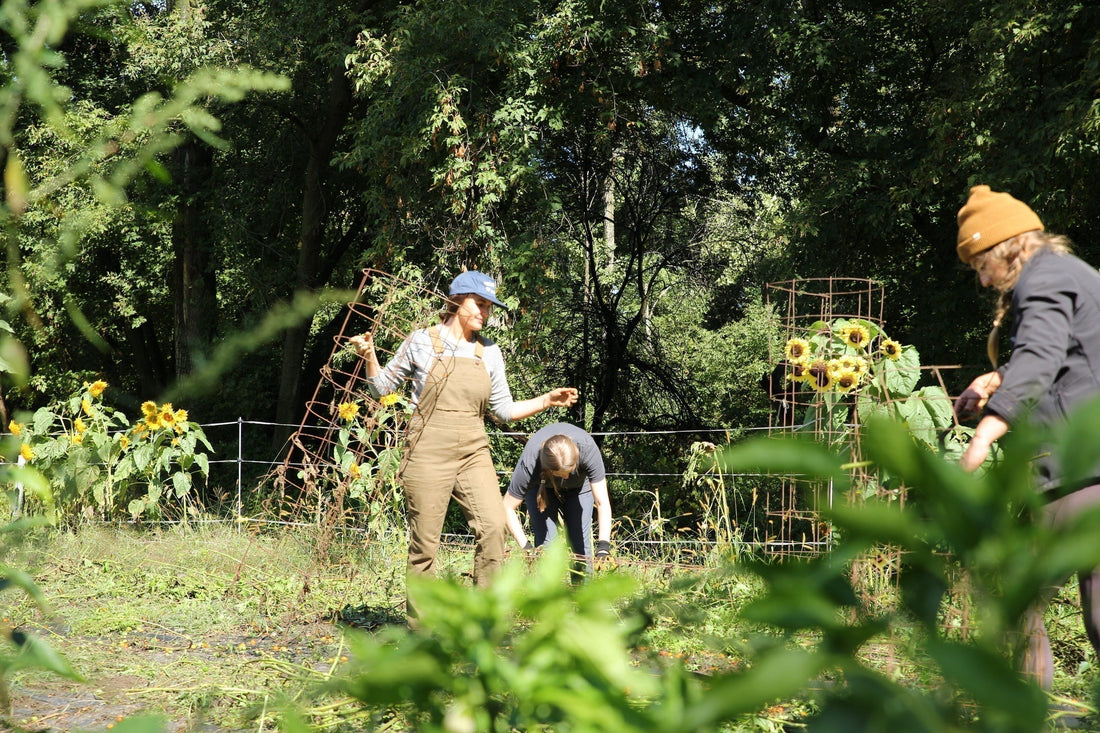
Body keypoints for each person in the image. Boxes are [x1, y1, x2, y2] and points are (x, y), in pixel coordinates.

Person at [350, 270, 578, 599]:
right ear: (457, 302)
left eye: (489, 307)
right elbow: (382, 386)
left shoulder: (490, 353)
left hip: (473, 452)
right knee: (425, 546)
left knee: (494, 526)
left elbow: (503, 411)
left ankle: (482, 622)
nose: (485, 313)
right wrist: (369, 355)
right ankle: (423, 633)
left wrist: (546, 400)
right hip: (426, 452)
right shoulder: (421, 341)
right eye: (480, 304)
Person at [952, 184, 1100, 690]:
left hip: (1079, 471)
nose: (982, 276)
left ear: (1000, 248)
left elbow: (1040, 360)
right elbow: (1064, 355)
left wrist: (986, 434)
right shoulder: (1071, 274)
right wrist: (993, 382)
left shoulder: (1045, 278)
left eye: (979, 264)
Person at [502, 422, 612, 577]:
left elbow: (602, 502)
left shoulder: (588, 449)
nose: (566, 477)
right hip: (541, 488)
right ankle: (547, 596)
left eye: (570, 470)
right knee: (546, 547)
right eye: (562, 473)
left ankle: (582, 595)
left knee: (580, 546)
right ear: (549, 469)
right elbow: (507, 506)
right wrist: (527, 548)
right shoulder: (531, 463)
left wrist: (603, 546)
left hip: (580, 488)